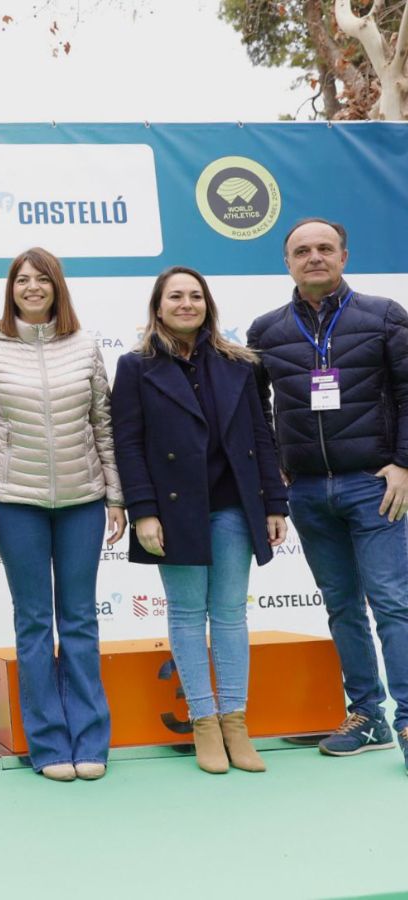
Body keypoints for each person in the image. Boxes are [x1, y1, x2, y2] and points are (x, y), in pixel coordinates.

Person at [112, 266, 289, 774]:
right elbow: (128, 443)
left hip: (235, 505)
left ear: (207, 304)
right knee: (188, 616)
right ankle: (204, 722)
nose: (186, 303)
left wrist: (275, 504)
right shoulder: (134, 367)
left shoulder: (240, 364)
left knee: (230, 613)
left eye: (195, 296)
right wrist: (143, 511)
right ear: (158, 305)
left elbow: (263, 436)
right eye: (175, 296)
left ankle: (236, 722)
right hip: (173, 510)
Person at [248, 217, 408, 771]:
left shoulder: (385, 316)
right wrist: (276, 474)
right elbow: (250, 413)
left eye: (324, 248)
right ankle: (368, 717)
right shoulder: (266, 331)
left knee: (391, 602)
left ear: (343, 255)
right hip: (309, 492)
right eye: (301, 250)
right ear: (286, 262)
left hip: (374, 487)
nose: (313, 257)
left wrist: (404, 465)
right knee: (342, 607)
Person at [0, 247, 125, 782]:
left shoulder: (85, 345)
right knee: (34, 623)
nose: (32, 288)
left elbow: (104, 425)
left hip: (83, 500)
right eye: (22, 280)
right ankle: (49, 745)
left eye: (42, 280)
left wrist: (117, 496)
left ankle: (90, 740)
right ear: (10, 288)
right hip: (15, 503)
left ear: (57, 287)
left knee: (79, 621)